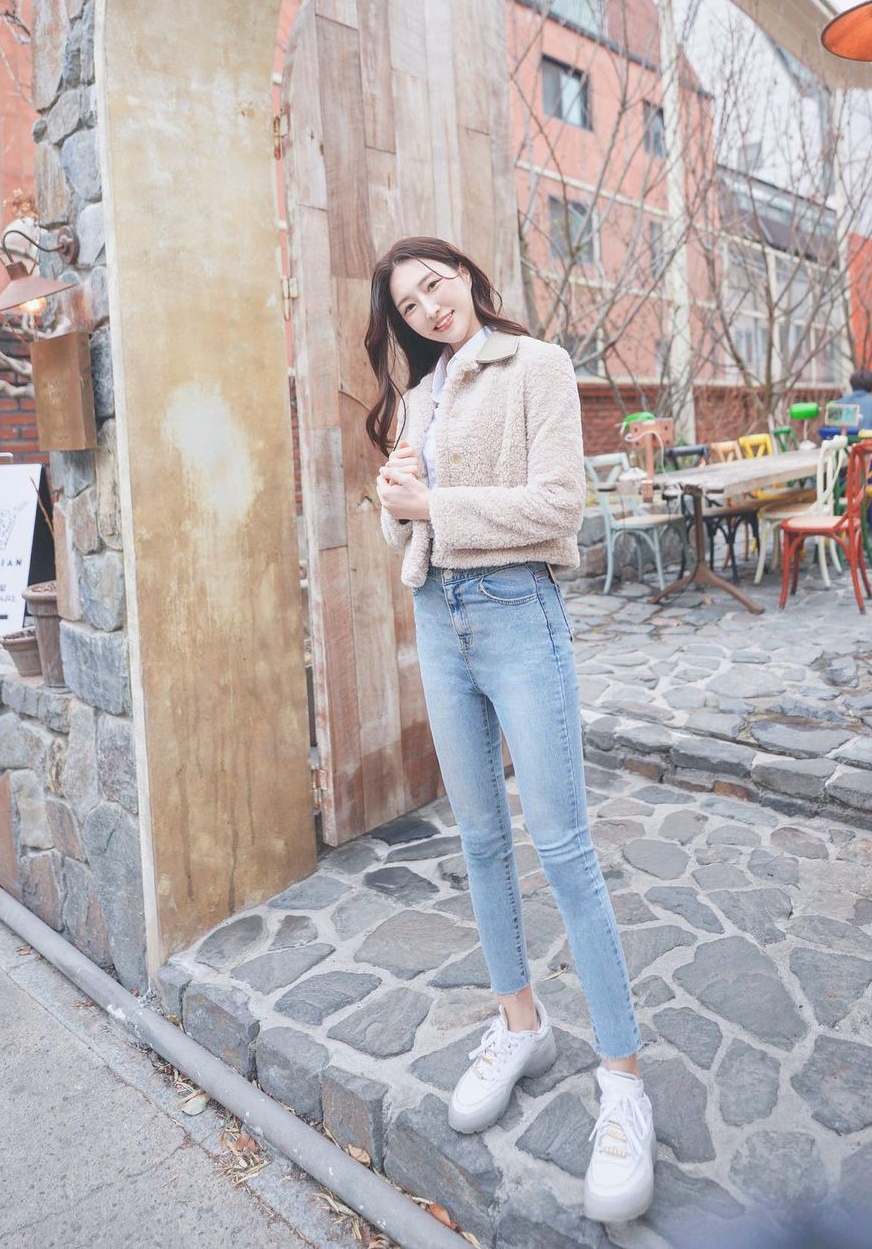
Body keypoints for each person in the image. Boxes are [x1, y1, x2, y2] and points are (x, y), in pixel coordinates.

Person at [367, 236, 654, 1225]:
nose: (428, 308)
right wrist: (395, 499)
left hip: (519, 613)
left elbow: (558, 505)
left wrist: (432, 502)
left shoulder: (537, 365)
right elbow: (408, 528)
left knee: (564, 847)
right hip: (437, 617)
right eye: (410, 304)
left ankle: (622, 1079)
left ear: (466, 276)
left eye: (435, 284)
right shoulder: (419, 397)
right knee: (481, 840)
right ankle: (519, 1023)